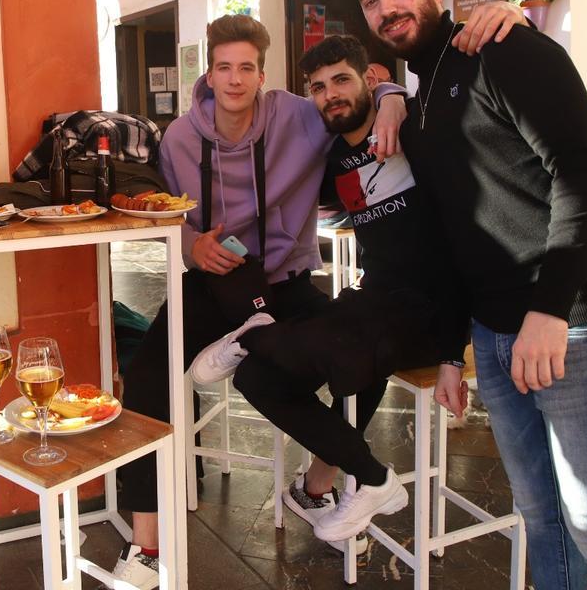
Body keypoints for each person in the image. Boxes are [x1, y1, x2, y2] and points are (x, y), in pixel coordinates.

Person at [353, 0, 587, 589]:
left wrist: (549, 311)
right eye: (371, 1)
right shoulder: (419, 97)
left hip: (578, 323)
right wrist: (448, 351)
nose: (387, 8)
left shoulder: (506, 48)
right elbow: (450, 234)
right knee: (541, 519)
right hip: (495, 339)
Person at [190, 34, 470, 544]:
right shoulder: (334, 155)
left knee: (338, 348)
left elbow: (460, 245)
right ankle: (369, 478)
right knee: (256, 380)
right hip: (375, 297)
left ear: (370, 78)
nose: (329, 95)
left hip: (432, 309)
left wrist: (453, 352)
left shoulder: (416, 133)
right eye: (318, 88)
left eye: (341, 80)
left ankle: (251, 334)